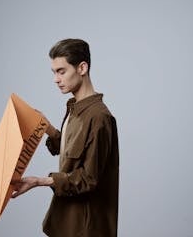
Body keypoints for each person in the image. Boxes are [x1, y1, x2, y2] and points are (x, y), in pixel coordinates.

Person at [12, 38, 119, 237]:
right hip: (66, 221)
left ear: (82, 68)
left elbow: (89, 178)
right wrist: (47, 127)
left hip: (86, 227)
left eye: (61, 71)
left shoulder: (99, 117)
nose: (56, 79)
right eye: (54, 73)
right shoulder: (74, 108)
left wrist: (39, 181)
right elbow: (74, 150)